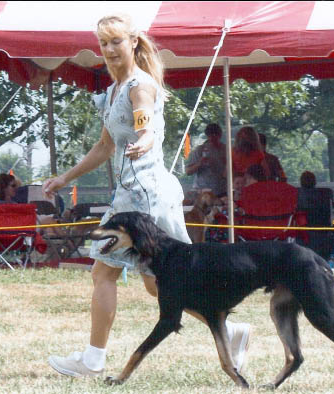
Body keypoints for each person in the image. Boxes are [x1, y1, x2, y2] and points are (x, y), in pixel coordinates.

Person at [42, 14, 250, 378]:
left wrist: (145, 140)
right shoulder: (111, 92)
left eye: (115, 42)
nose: (107, 50)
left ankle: (92, 360)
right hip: (130, 195)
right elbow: (104, 146)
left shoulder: (141, 86)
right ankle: (230, 332)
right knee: (157, 285)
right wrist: (64, 177)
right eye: (103, 43)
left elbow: (147, 125)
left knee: (110, 274)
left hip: (149, 196)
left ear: (133, 42)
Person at [185, 123, 227, 196]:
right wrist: (199, 163)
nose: (214, 137)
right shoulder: (200, 150)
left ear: (220, 135)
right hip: (203, 191)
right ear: (207, 136)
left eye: (216, 135)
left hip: (222, 190)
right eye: (211, 135)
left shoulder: (226, 149)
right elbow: (188, 171)